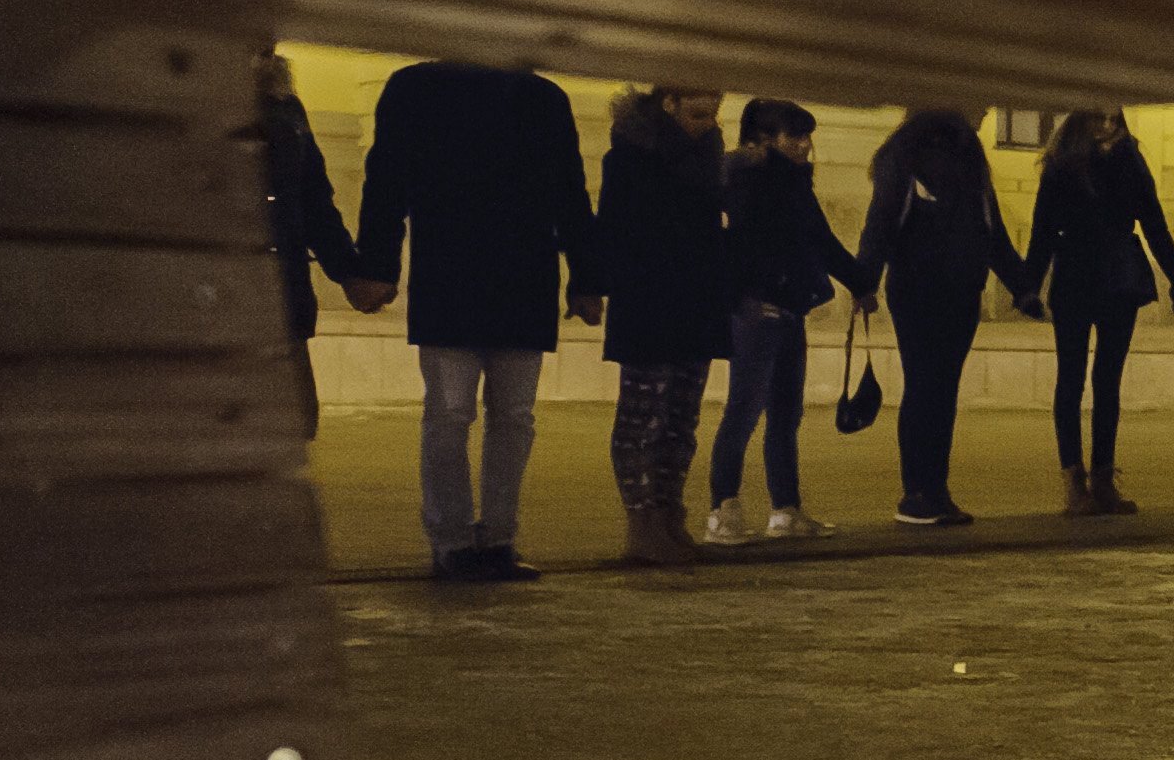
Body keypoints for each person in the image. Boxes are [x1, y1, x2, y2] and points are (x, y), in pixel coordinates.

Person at [352, 56, 595, 581]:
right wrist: (584, 276)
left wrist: (586, 275)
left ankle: (473, 539)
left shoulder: (419, 87)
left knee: (470, 414)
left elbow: (386, 180)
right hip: (504, 273)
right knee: (483, 415)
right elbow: (569, 193)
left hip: (461, 273)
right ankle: (470, 538)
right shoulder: (540, 96)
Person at [852, 107, 1033, 529]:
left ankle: (932, 491)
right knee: (926, 386)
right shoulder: (910, 156)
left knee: (940, 389)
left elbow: (991, 230)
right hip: (922, 288)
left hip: (958, 288)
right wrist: (865, 279)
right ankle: (918, 492)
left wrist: (1022, 286)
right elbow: (881, 220)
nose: (986, 111)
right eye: (979, 104)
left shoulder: (963, 153)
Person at [707, 99, 867, 542]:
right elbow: (732, 243)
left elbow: (821, 239)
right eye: (794, 135)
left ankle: (785, 508)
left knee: (784, 412)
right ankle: (723, 510)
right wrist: (745, 293)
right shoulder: (743, 177)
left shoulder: (792, 181)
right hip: (758, 307)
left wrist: (861, 283)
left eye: (806, 135)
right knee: (744, 407)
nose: (804, 144)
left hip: (789, 306)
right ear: (764, 138)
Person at [1022, 109, 1174, 518]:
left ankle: (1103, 479)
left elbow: (1155, 225)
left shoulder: (1131, 160)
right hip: (1075, 274)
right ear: (1083, 118)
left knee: (1108, 381)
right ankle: (1074, 482)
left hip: (1118, 279)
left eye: (1114, 117)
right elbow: (1042, 228)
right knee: (1071, 379)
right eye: (1100, 116)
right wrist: (1027, 286)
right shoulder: (1062, 163)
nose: (1108, 125)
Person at [591, 88, 729, 568]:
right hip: (648, 302)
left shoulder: (710, 155)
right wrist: (595, 284)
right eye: (697, 113)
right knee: (642, 417)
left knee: (680, 419)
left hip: (697, 300)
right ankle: (641, 525)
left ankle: (671, 517)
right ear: (669, 103)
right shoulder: (630, 155)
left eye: (713, 115)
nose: (707, 123)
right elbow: (610, 226)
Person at [250, 49, 370, 440]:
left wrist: (349, 272)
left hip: (283, 287)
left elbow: (314, 199)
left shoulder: (286, 105)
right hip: (212, 293)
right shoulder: (192, 94)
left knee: (296, 423)